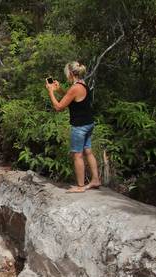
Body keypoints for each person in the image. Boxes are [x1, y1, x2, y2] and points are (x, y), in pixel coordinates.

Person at [46, 61, 101, 192]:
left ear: (70, 73)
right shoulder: (82, 84)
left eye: (67, 74)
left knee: (77, 155)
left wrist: (51, 92)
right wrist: (59, 90)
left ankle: (80, 186)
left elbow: (59, 107)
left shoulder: (75, 88)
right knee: (88, 151)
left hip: (80, 127)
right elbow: (71, 98)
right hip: (89, 123)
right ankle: (95, 180)